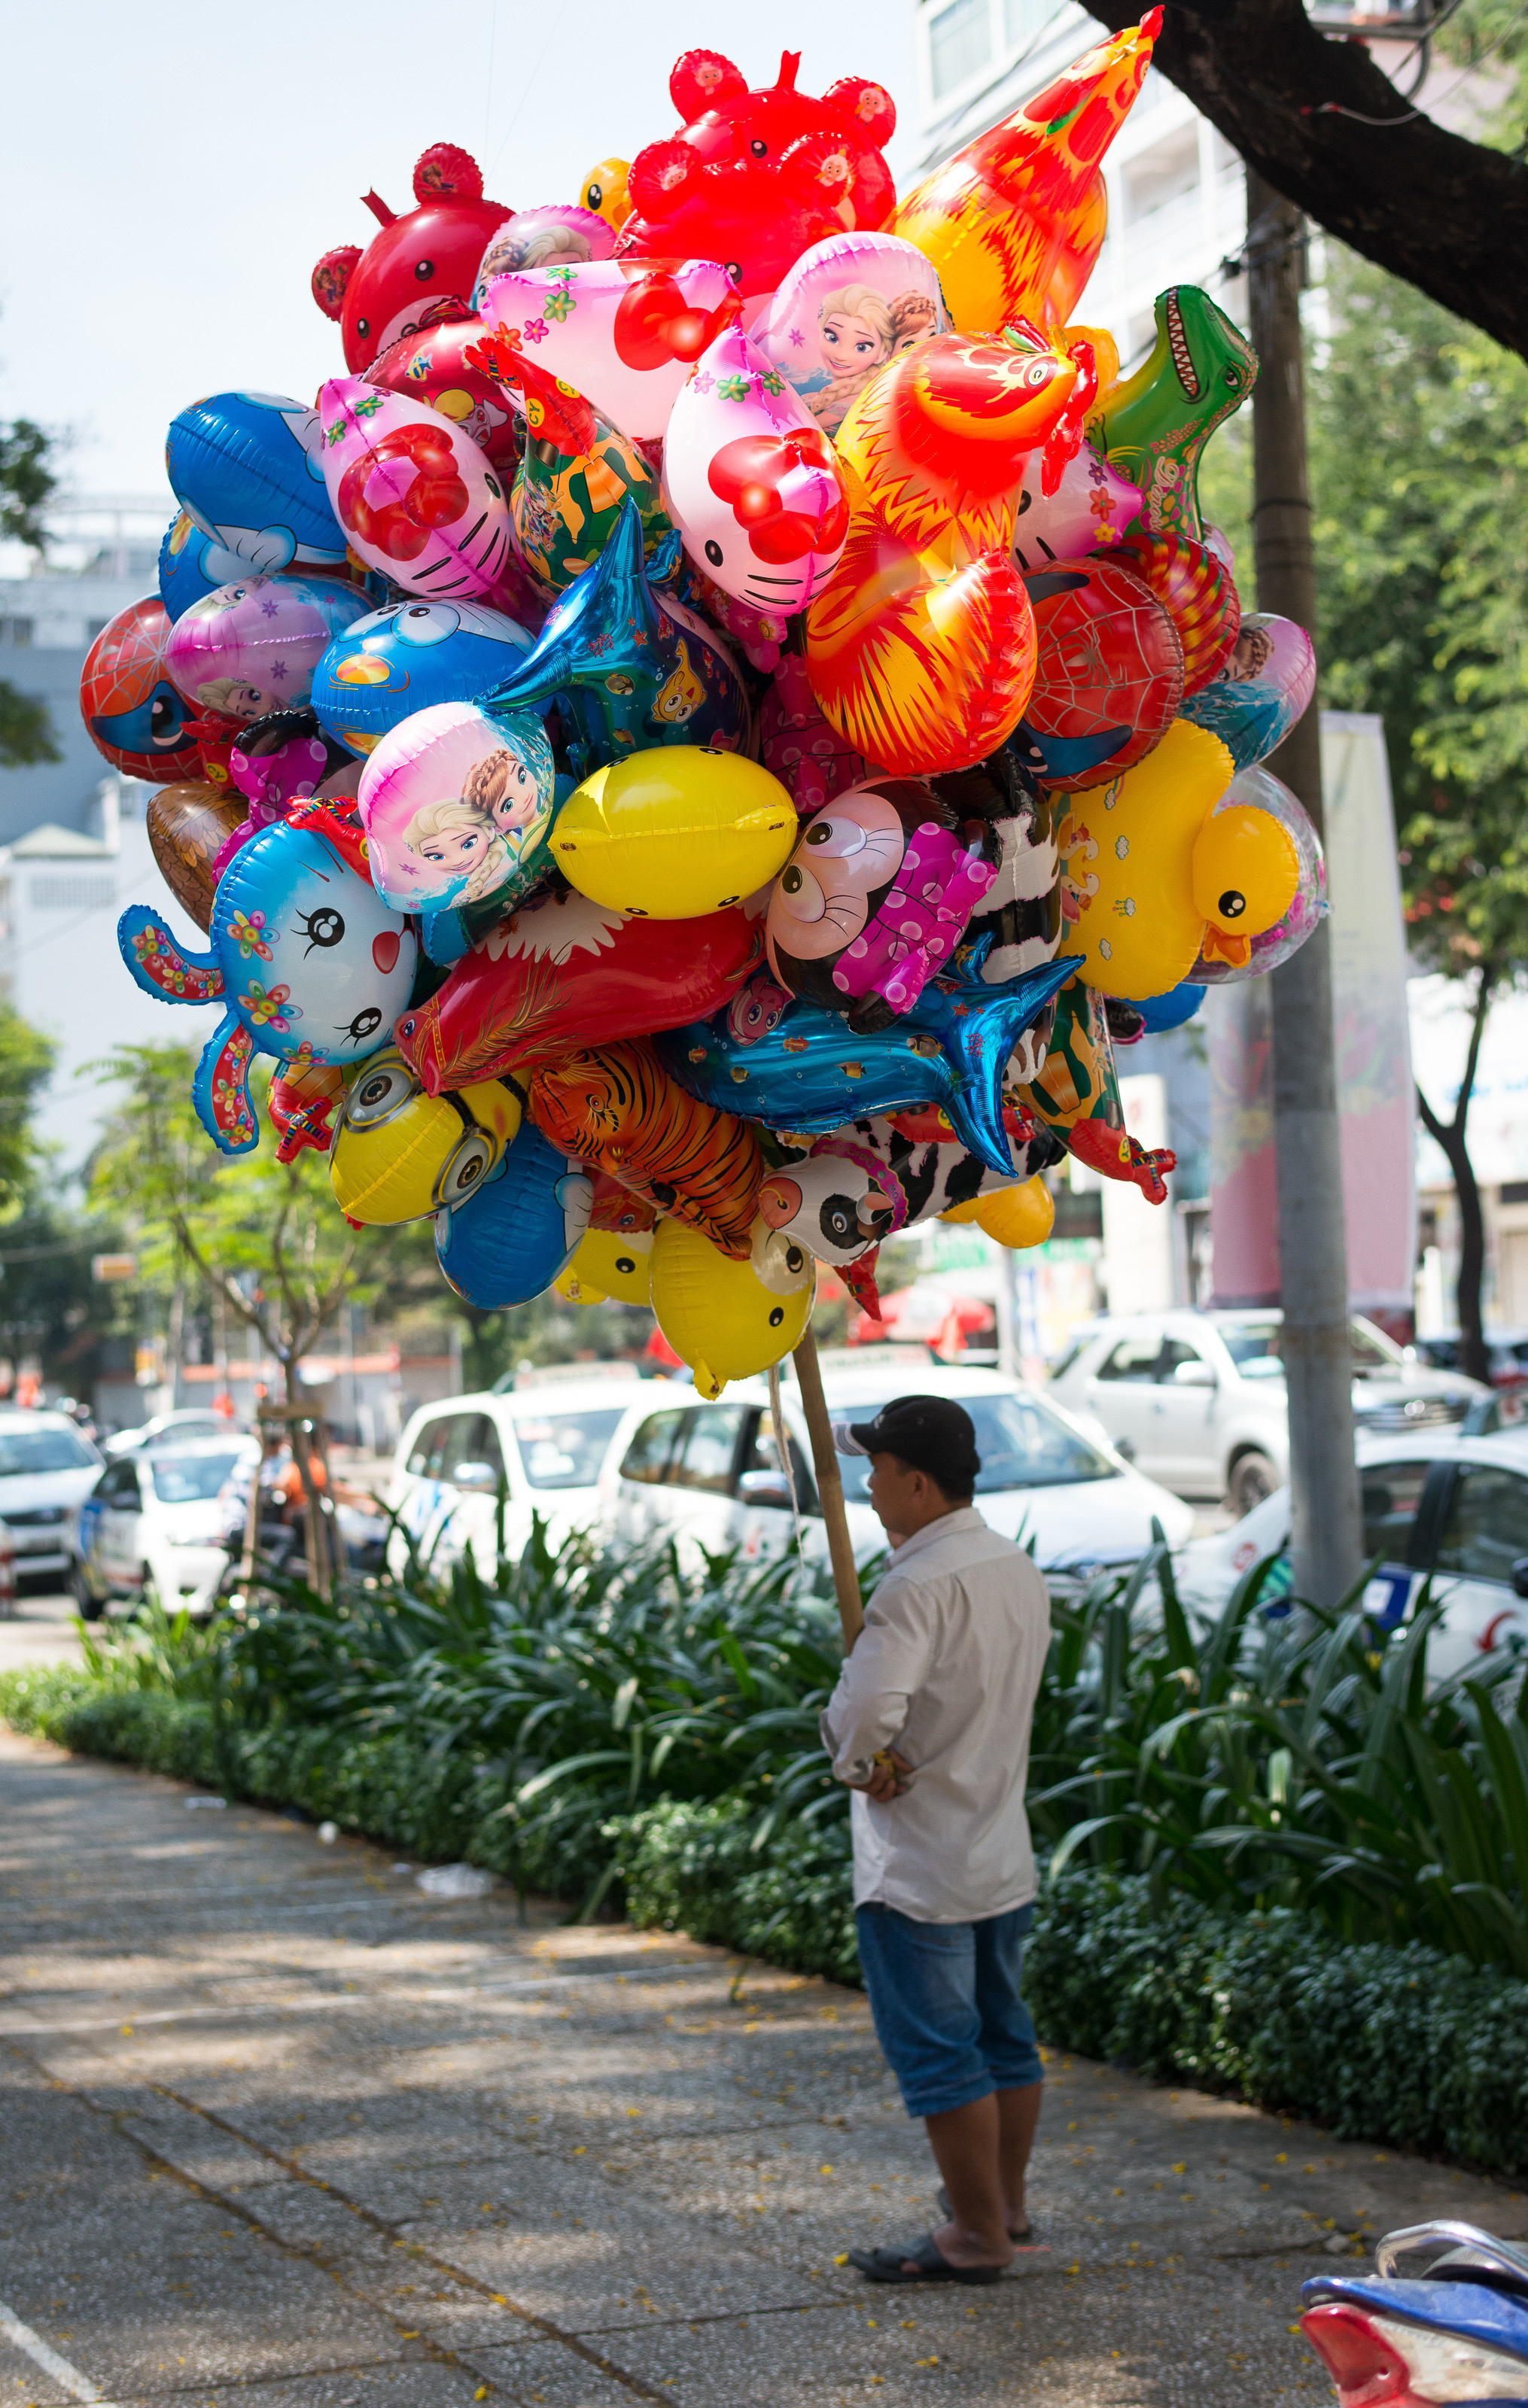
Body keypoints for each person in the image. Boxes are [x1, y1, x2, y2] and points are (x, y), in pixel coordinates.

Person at [819, 1394, 1051, 2286]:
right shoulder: (1012, 1564)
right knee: (1003, 2036)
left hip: (918, 1861)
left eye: (876, 1471)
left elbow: (867, 1715)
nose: (869, 1488)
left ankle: (976, 2235)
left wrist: (855, 1758)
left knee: (943, 2054)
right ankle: (1005, 2206)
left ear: (917, 1483)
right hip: (998, 1842)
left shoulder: (915, 1584)